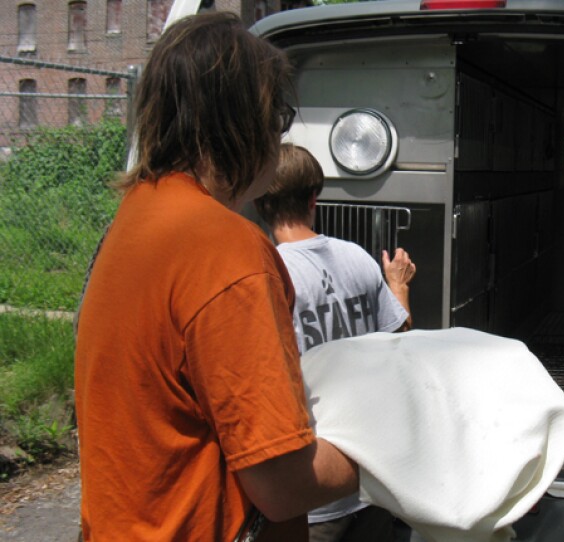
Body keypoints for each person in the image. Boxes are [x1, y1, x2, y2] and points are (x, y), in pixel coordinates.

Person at [73, 13, 357, 541]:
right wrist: (398, 451)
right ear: (245, 119)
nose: (281, 132)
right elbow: (281, 485)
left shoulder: (134, 219)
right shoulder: (226, 250)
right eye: (280, 115)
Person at [253, 143, 416, 541]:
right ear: (313, 198)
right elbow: (402, 342)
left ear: (259, 203)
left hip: (311, 489)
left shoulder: (266, 274)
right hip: (369, 478)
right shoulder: (357, 258)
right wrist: (398, 285)